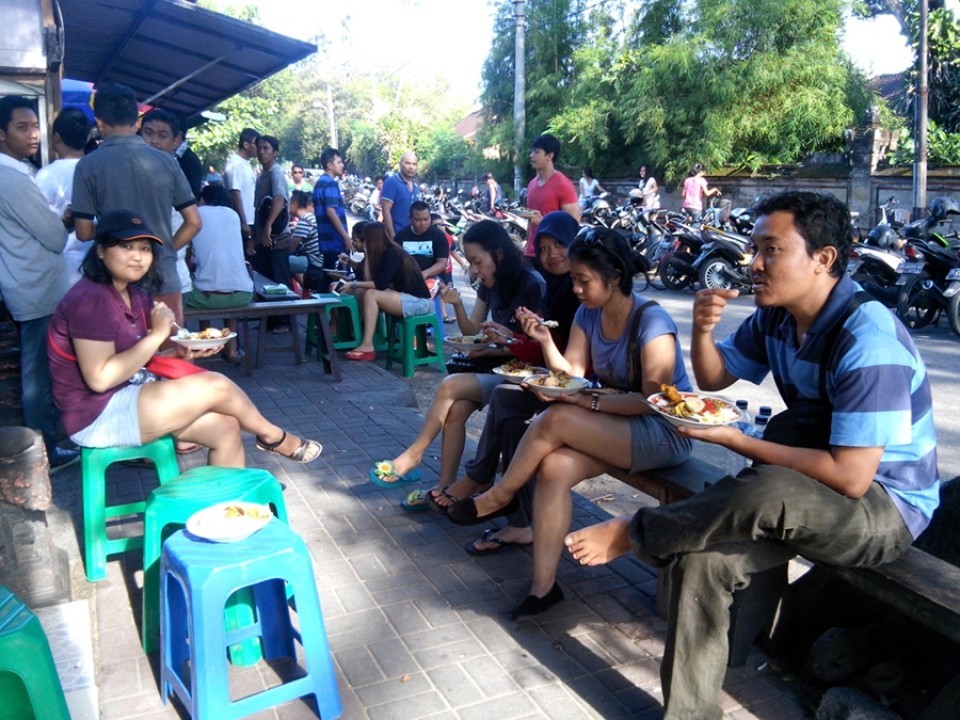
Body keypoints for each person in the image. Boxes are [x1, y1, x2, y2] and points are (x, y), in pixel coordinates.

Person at [564, 191, 939, 720]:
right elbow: (716, 379)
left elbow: (852, 478)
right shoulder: (779, 317)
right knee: (701, 561)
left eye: (770, 250)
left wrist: (737, 442)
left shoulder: (867, 338)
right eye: (754, 249)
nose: (753, 263)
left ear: (823, 259)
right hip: (814, 486)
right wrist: (702, 329)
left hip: (884, 506)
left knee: (765, 486)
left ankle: (639, 531)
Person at [447, 227, 692, 620]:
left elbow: (652, 402)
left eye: (583, 280)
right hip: (615, 422)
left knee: (558, 416)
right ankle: (543, 589)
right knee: (553, 466)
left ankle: (499, 496)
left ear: (614, 277)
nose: (575, 288)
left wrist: (583, 400)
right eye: (575, 279)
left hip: (664, 432)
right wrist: (545, 341)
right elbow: (572, 375)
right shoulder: (587, 313)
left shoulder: (651, 321)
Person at [48, 209, 321, 467]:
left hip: (128, 394)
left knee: (226, 427)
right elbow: (101, 378)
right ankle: (273, 436)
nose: (137, 257)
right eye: (125, 246)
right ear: (100, 251)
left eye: (144, 249)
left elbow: (133, 359)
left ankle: (226, 512)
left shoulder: (132, 293)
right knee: (217, 385)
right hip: (95, 415)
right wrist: (156, 336)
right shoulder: (91, 300)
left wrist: (176, 353)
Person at [428, 213, 581, 555]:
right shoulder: (558, 287)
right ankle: (519, 524)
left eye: (560, 245)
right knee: (504, 412)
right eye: (542, 247)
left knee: (499, 398)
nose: (551, 254)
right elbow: (540, 345)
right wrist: (511, 338)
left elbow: (570, 364)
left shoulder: (558, 292)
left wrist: (510, 343)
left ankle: (483, 482)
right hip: (544, 378)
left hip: (574, 390)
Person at [367, 220, 546, 507]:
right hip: (494, 370)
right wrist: (458, 306)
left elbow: (537, 346)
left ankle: (415, 453)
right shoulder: (490, 283)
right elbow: (472, 332)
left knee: (450, 385)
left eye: (477, 261)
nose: (473, 270)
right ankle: (445, 485)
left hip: (521, 377)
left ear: (499, 254)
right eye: (471, 263)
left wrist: (494, 349)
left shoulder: (531, 284)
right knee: (455, 413)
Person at [72, 82, 201, 327]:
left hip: (115, 281)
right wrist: (162, 249)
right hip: (163, 276)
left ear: (99, 122)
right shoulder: (167, 163)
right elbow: (194, 222)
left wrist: (115, 232)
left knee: (122, 360)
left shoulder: (88, 165)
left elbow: (83, 232)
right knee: (171, 357)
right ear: (137, 122)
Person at [0, 96, 77, 470]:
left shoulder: (18, 172)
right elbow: (54, 237)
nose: (33, 135)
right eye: (22, 127)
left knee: (39, 369)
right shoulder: (12, 177)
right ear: (1, 134)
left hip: (23, 281)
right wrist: (63, 220)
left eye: (35, 126)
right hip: (35, 285)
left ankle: (43, 449)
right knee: (38, 375)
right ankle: (44, 452)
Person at [340, 222, 435, 361]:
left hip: (419, 302)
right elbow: (369, 280)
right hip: (404, 297)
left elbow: (379, 284)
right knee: (360, 292)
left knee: (371, 294)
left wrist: (353, 283)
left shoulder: (392, 253)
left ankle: (367, 345)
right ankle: (351, 335)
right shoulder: (380, 254)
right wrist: (366, 259)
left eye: (365, 239)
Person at [184, 184, 254, 364]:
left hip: (205, 298)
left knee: (196, 285)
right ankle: (231, 349)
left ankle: (205, 344)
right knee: (226, 283)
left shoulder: (196, 215)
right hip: (242, 295)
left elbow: (187, 257)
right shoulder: (233, 215)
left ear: (203, 199)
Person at [35, 107, 91, 287]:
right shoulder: (97, 169)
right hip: (97, 261)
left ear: (55, 138)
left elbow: (39, 225)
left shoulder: (47, 175)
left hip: (62, 266)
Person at [519, 134, 580, 261]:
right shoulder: (531, 184)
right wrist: (527, 243)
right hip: (531, 253)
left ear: (549, 156)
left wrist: (543, 223)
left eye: (537, 152)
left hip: (553, 257)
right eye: (532, 152)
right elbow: (531, 221)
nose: (531, 156)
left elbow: (572, 226)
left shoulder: (563, 185)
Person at [252, 135, 292, 308]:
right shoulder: (262, 175)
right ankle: (271, 319)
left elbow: (279, 199)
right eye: (259, 148)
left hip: (277, 237)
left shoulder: (276, 172)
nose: (262, 152)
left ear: (275, 152)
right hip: (264, 237)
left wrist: (268, 225)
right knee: (267, 280)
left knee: (279, 281)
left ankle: (284, 320)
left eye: (266, 148)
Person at [312, 147, 351, 287]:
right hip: (335, 241)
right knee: (336, 280)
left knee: (328, 276)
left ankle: (317, 306)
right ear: (329, 165)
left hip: (326, 241)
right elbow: (331, 212)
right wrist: (346, 237)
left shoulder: (319, 183)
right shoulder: (330, 183)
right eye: (339, 162)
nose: (342, 165)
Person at [394, 201, 449, 295]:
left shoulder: (438, 236)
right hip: (406, 280)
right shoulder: (401, 236)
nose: (423, 223)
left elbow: (442, 263)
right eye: (418, 220)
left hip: (432, 279)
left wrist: (425, 273)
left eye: (426, 219)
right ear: (410, 219)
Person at [223, 128, 259, 255]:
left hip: (250, 220)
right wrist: (243, 222)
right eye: (256, 143)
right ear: (246, 144)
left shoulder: (247, 164)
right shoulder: (235, 163)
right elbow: (235, 193)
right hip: (241, 221)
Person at [381, 152, 419, 240]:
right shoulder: (391, 182)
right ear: (400, 164)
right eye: (407, 163)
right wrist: (392, 235)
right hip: (397, 235)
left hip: (412, 236)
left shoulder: (416, 187)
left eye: (414, 164)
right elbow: (386, 210)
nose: (411, 167)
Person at [287, 189, 321, 287]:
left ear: (293, 205)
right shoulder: (310, 218)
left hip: (314, 261)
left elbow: (291, 247)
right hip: (317, 259)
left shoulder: (305, 221)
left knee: (281, 261)